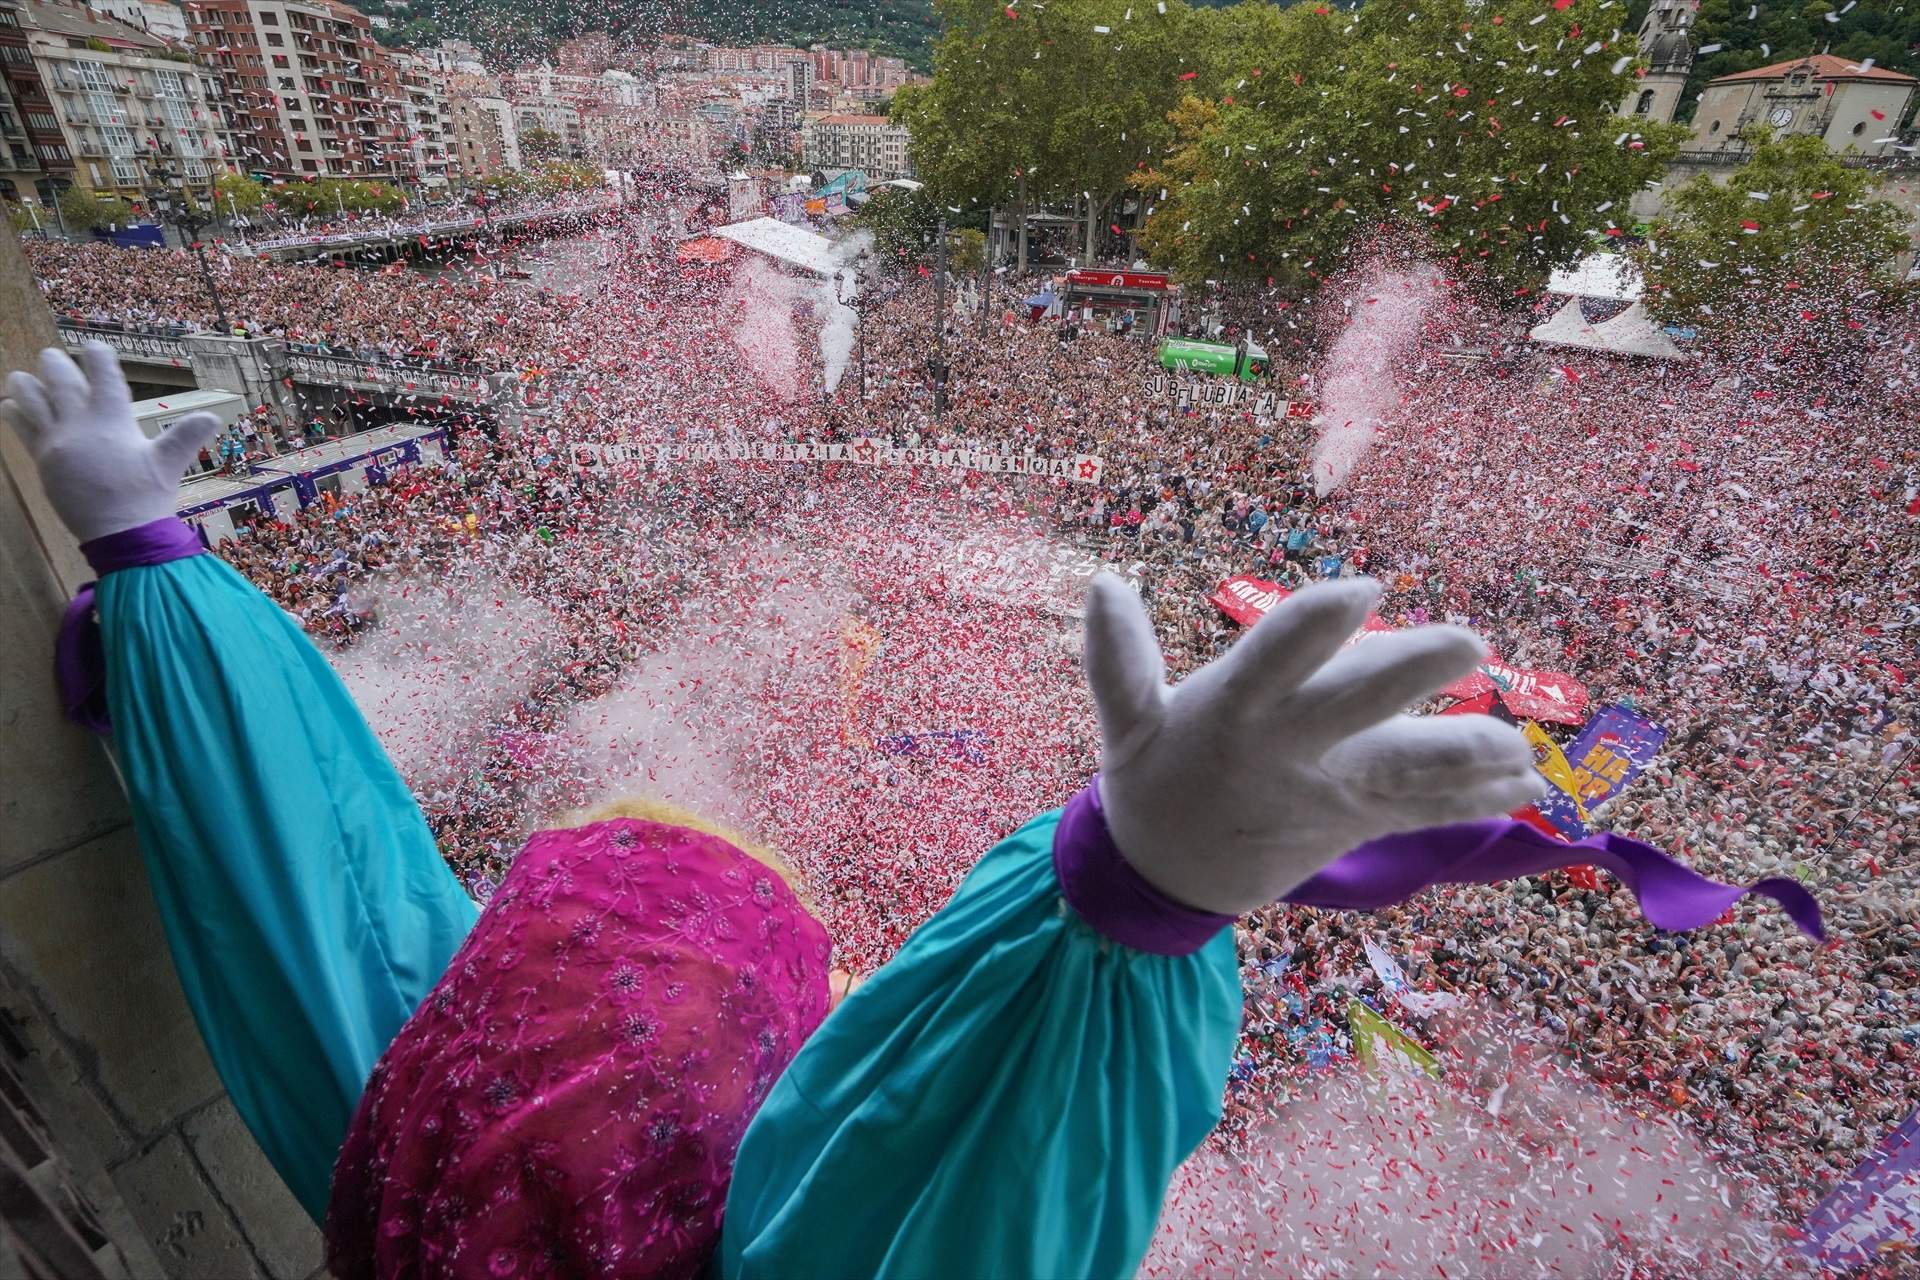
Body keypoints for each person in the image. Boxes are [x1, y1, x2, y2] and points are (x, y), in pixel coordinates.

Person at [4, 342, 1822, 1280]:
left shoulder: (391, 1132)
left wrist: (154, 573)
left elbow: (322, 903)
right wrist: (1134, 896)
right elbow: (935, 1196)